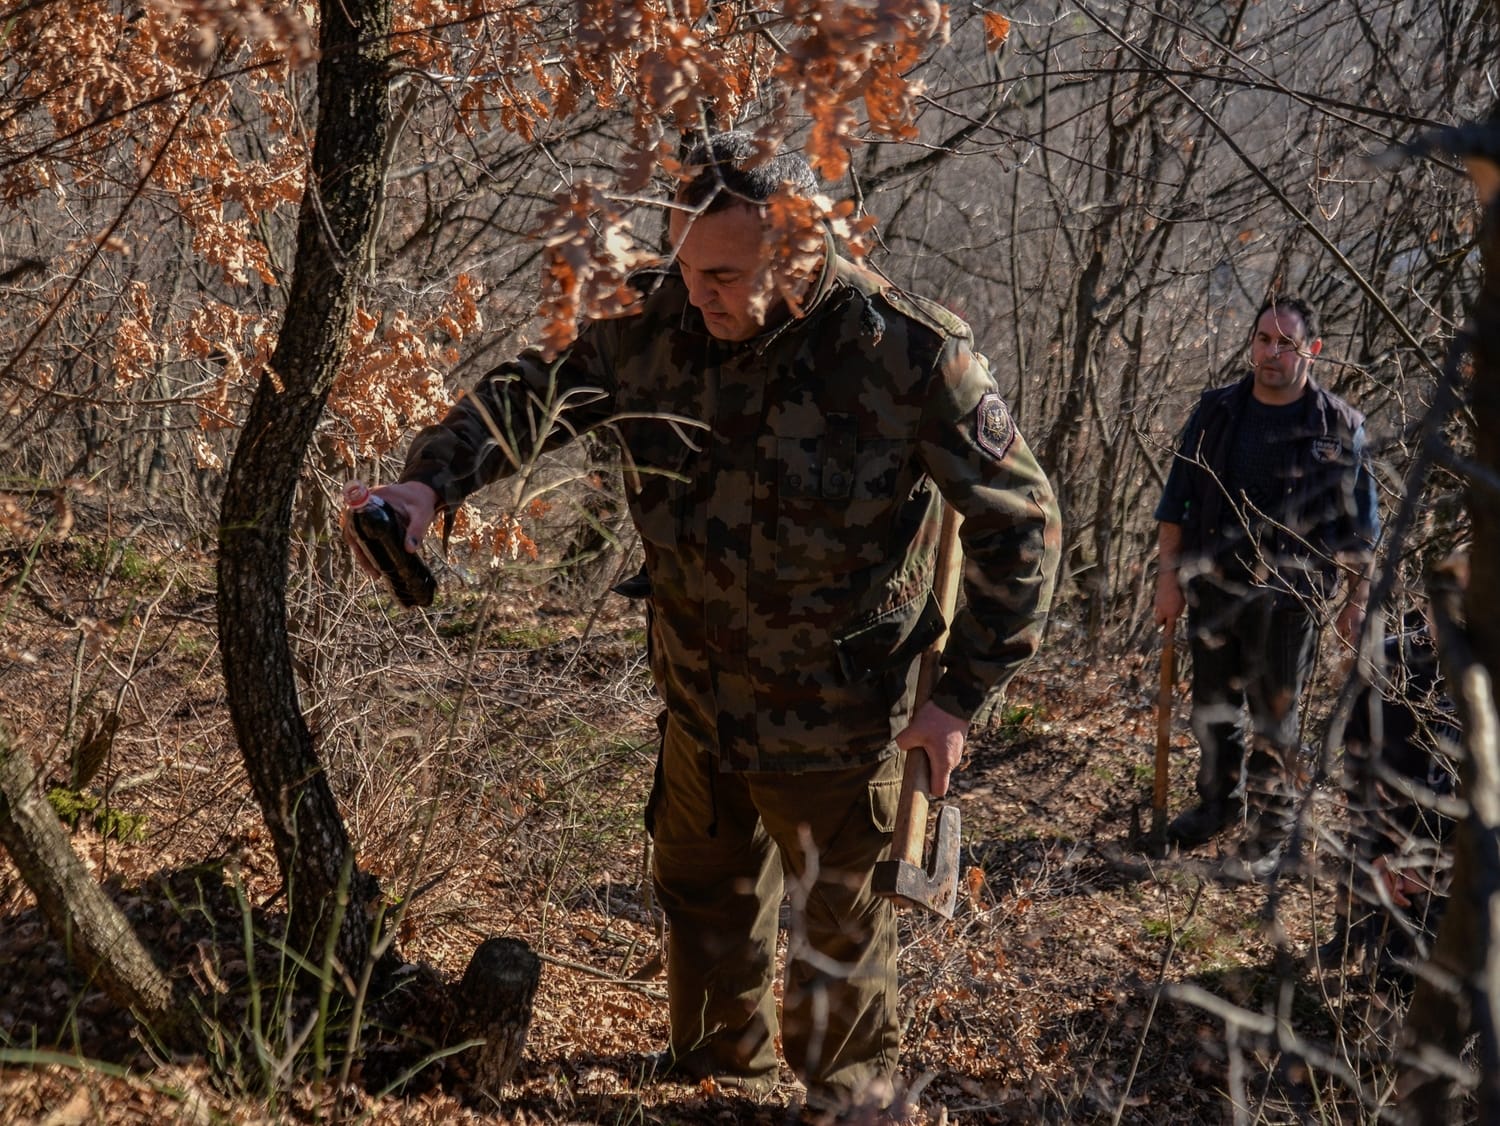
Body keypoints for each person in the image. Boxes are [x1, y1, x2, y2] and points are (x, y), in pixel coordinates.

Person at [346, 132, 1061, 1115]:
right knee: (707, 931)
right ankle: (718, 1093)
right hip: (698, 703)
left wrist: (962, 697)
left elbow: (1023, 522)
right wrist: (429, 485)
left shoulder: (904, 351)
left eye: (724, 272)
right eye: (684, 264)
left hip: (843, 730)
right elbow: (526, 397)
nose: (699, 291)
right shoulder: (652, 318)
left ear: (800, 253)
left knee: (840, 984)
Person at [1153, 294, 1379, 872]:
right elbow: (1174, 502)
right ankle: (1215, 807)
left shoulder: (1339, 428)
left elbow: (1362, 532)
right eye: (1262, 339)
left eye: (1286, 343)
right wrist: (1167, 579)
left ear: (1313, 352)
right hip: (1214, 589)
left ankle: (1270, 831)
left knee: (1276, 719)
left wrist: (1356, 602)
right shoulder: (1217, 412)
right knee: (1212, 707)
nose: (1271, 353)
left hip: (1290, 602)